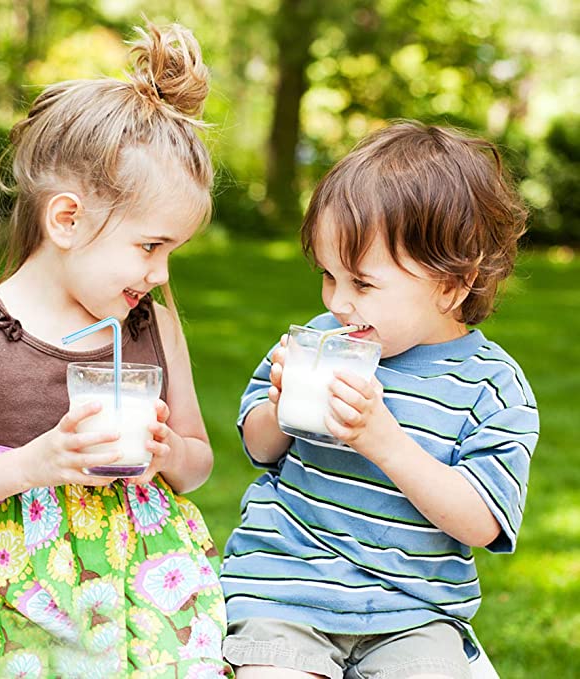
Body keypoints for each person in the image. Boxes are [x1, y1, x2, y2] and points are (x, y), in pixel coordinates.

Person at [0, 20, 232, 679]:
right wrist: (34, 464)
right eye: (149, 246)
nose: (161, 274)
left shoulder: (154, 328)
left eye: (172, 251)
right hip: (33, 616)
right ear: (66, 219)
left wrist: (166, 453)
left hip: (158, 611)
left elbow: (196, 463)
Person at [220, 121, 538, 679]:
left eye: (362, 284)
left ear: (452, 284)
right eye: (327, 276)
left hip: (414, 614)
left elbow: (482, 523)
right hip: (287, 590)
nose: (338, 302)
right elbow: (259, 446)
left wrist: (383, 441)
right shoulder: (318, 341)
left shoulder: (493, 387)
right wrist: (280, 405)